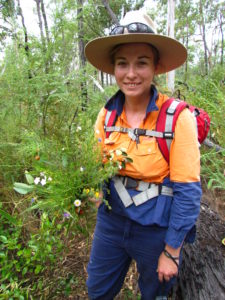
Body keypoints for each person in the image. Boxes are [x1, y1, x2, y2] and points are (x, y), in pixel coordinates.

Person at [84, 10, 202, 300]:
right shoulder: (107, 115)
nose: (131, 73)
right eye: (122, 63)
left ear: (156, 67)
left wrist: (172, 251)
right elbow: (93, 167)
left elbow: (188, 191)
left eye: (142, 63)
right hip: (111, 221)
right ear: (113, 68)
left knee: (154, 294)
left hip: (156, 229)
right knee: (97, 291)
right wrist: (88, 192)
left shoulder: (177, 118)